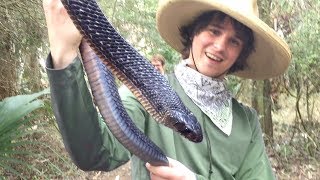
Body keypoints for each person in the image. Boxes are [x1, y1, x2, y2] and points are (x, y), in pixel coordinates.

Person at [43, 0, 291, 179]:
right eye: (214, 31)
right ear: (193, 33)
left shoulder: (246, 121)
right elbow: (95, 153)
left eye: (234, 41)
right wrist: (64, 57)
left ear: (240, 54)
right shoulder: (144, 91)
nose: (219, 46)